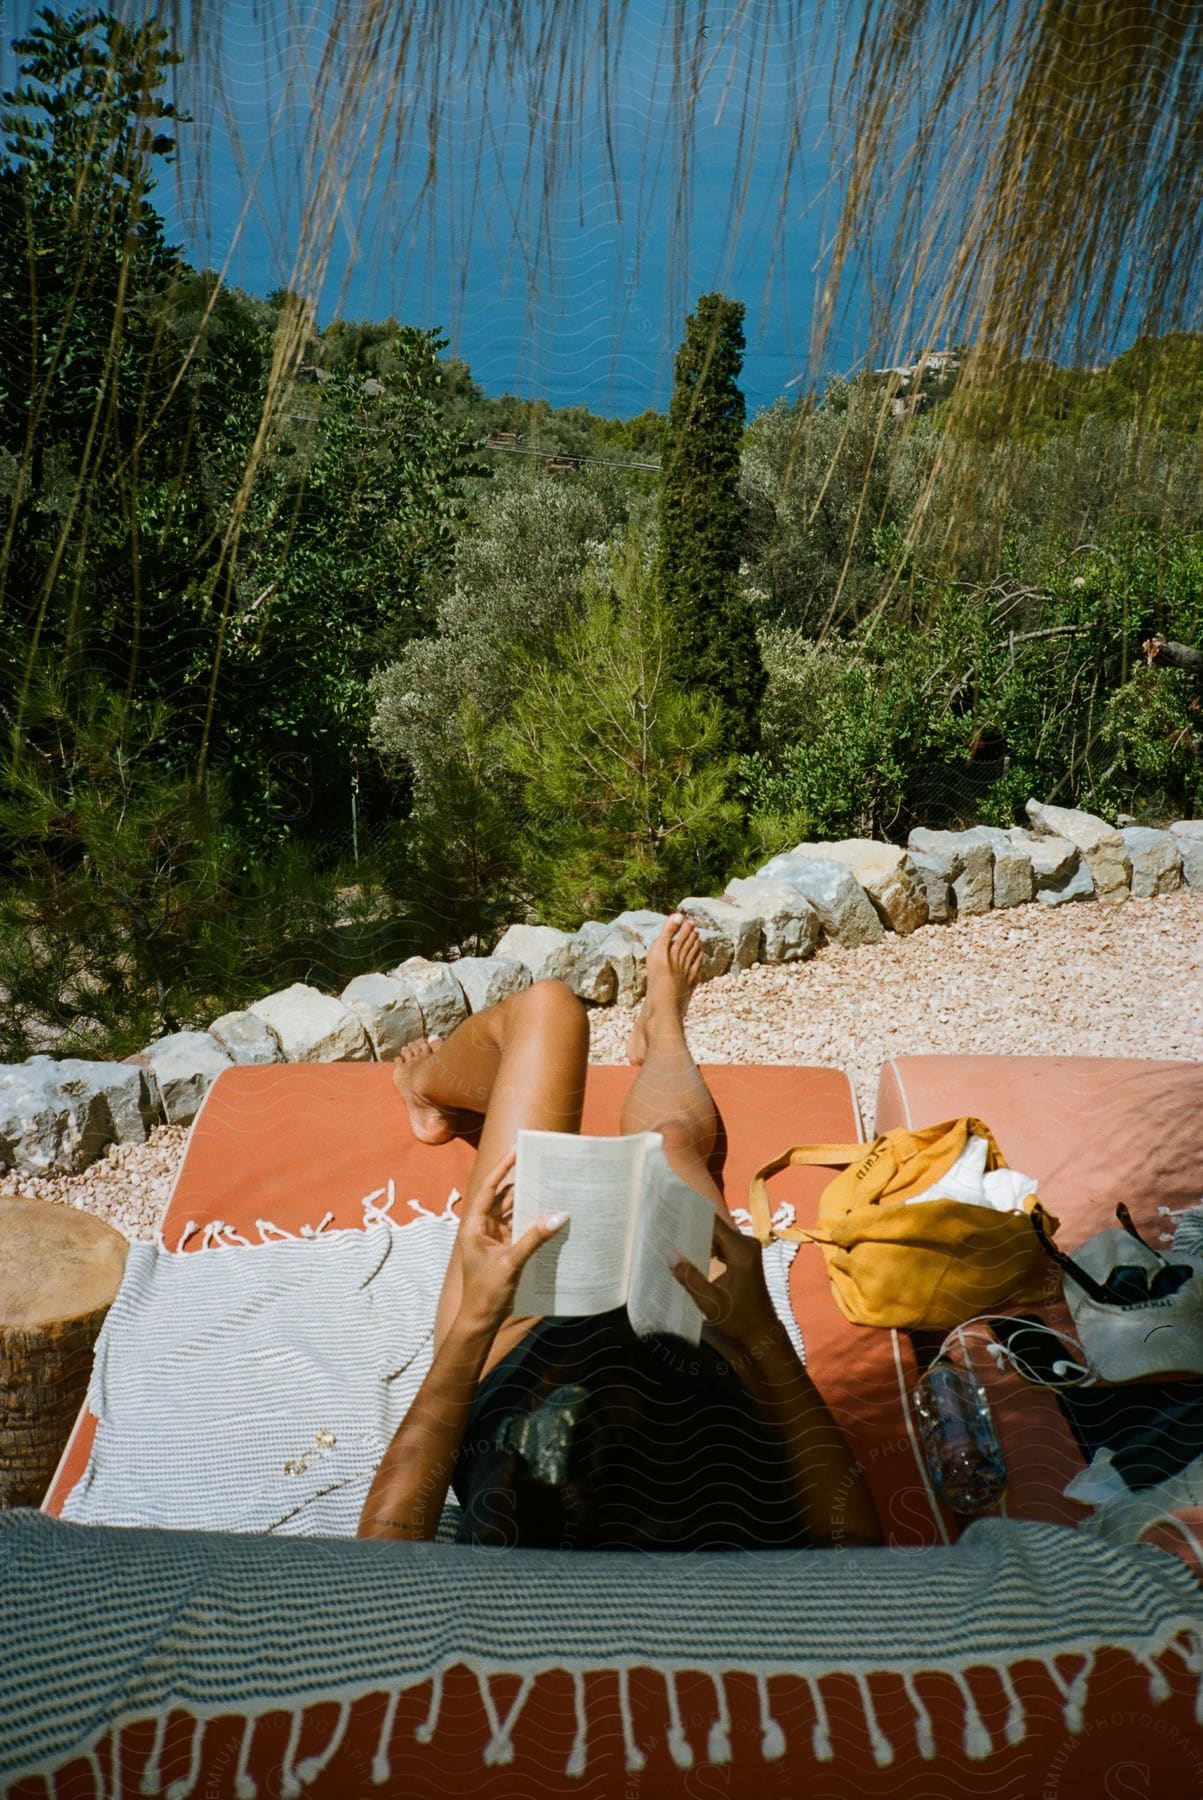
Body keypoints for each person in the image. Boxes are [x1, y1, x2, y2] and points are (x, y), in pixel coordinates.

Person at [357, 914, 881, 1550]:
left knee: (549, 1012)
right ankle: (664, 1026)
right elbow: (858, 1545)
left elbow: (385, 1544)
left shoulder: (512, 1574)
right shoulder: (740, 1586)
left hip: (520, 1355)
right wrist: (761, 1333)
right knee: (668, 1142)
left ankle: (422, 1085)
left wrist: (474, 1323)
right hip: (695, 1356)